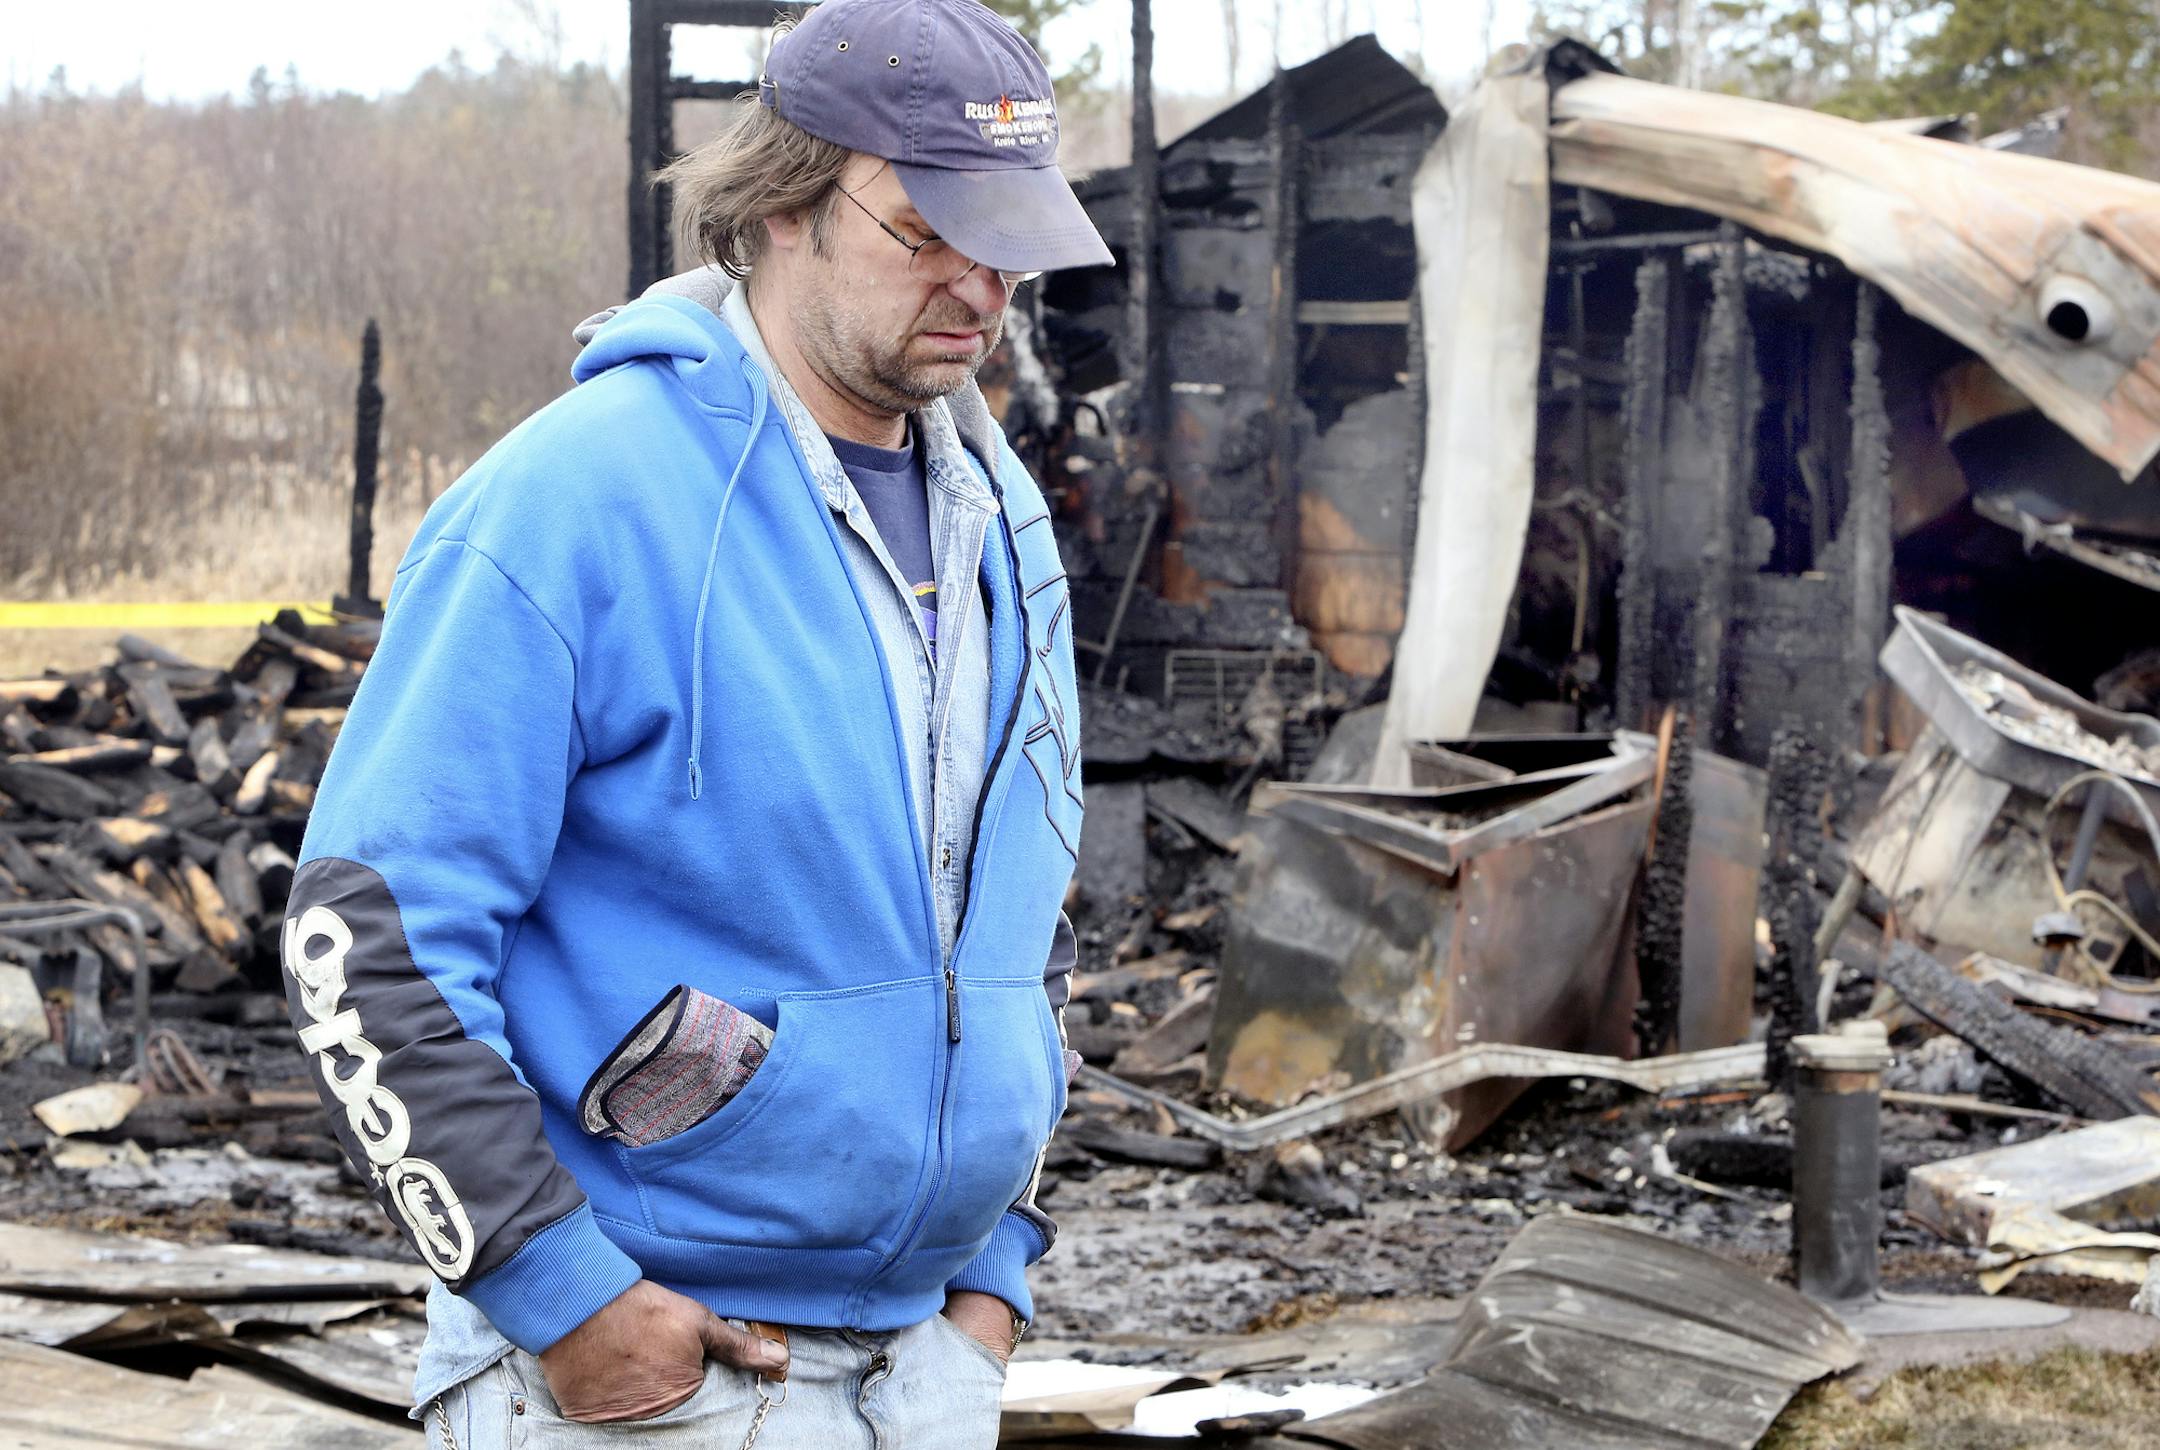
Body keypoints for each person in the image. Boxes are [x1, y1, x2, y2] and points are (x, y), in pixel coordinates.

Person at [278, 2, 1108, 1444]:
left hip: (927, 1370)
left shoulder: (1003, 516)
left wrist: (993, 1288)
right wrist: (564, 1299)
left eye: (1011, 239)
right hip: (655, 1370)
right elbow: (367, 934)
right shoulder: (577, 502)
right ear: (785, 200)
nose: (983, 284)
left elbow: (1019, 923)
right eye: (928, 229)